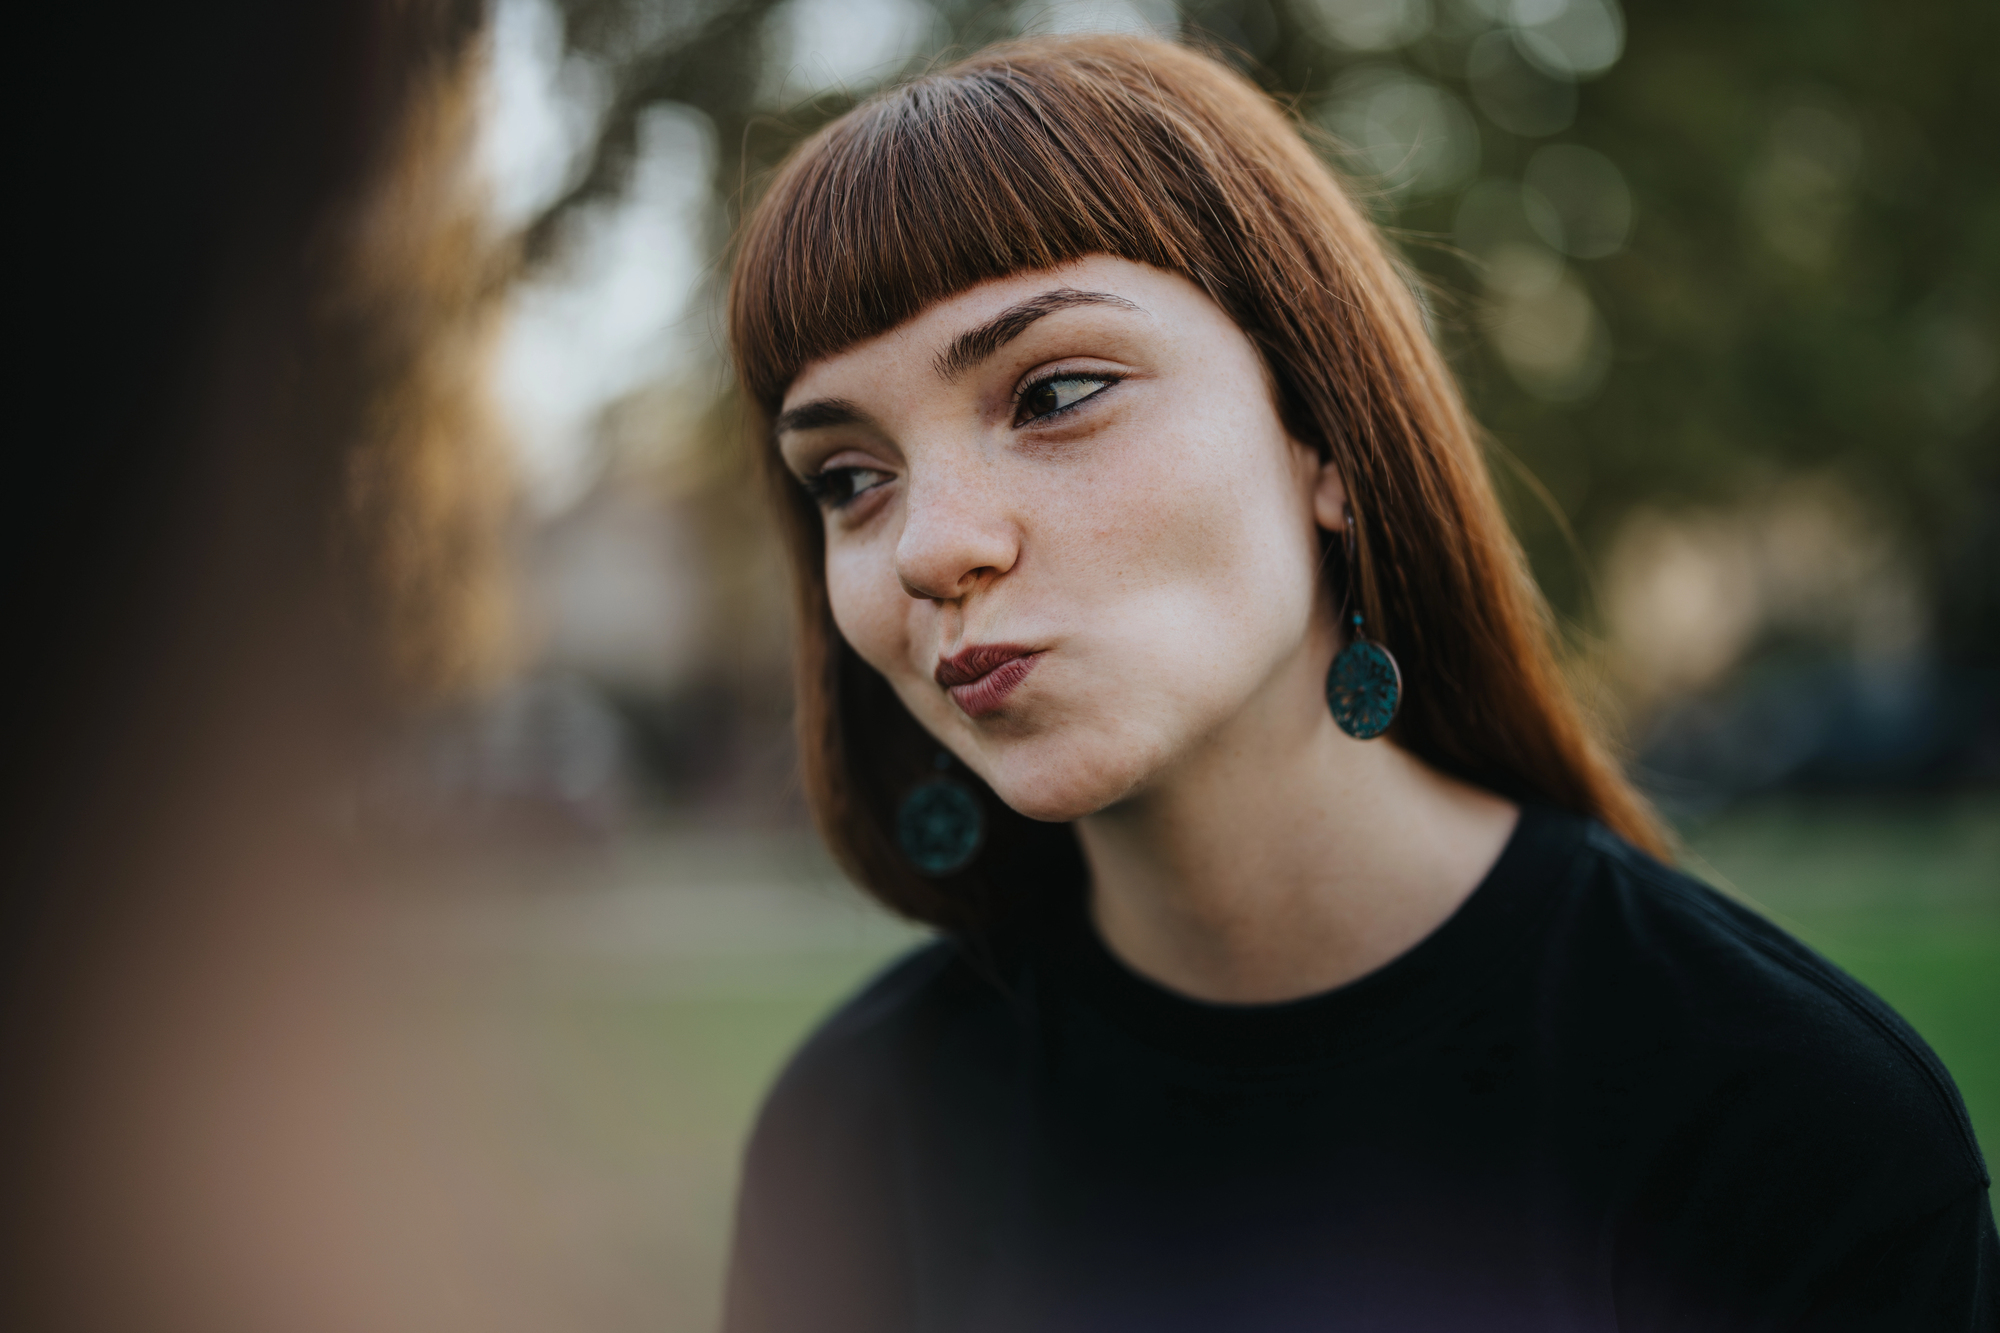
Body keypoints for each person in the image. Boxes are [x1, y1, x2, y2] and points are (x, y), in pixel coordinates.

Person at [720, 34, 1996, 1332]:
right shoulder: (853, 1133)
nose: (932, 545)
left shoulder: (1782, 1116)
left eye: (1054, 392)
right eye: (849, 478)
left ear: (1323, 435)